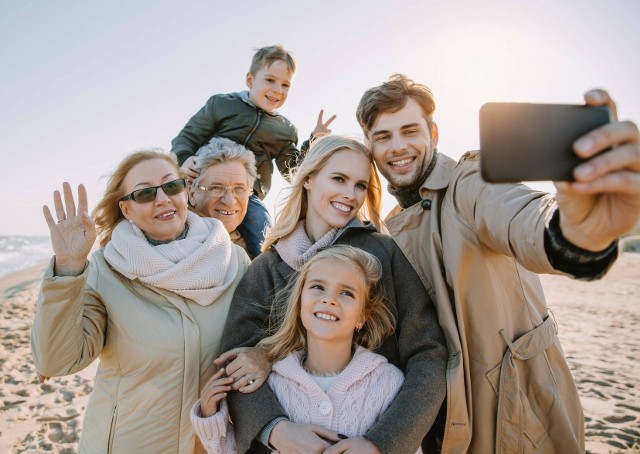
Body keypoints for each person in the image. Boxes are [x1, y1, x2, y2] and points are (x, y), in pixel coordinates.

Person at [355, 74, 640, 453]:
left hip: (517, 410)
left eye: (410, 130)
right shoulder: (390, 226)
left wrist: (577, 231)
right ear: (369, 145)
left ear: (433, 133)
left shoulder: (469, 182)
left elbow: (525, 218)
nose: (398, 146)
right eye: (383, 136)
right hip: (442, 420)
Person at [219, 135, 448, 454]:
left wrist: (383, 443)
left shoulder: (385, 253)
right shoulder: (266, 268)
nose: (349, 194)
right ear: (309, 178)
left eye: (359, 185)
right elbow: (236, 360)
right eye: (339, 179)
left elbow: (428, 353)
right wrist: (275, 429)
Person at [31, 150, 251, 453]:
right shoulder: (105, 270)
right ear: (126, 209)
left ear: (186, 192)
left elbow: (258, 341)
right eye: (145, 193)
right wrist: (68, 268)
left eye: (171, 186)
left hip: (206, 443)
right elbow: (56, 361)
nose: (162, 199)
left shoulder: (235, 262)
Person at [191, 245, 405, 453]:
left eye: (347, 293)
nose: (329, 299)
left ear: (362, 316)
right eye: (318, 287)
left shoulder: (389, 384)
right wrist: (211, 419)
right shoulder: (272, 382)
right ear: (300, 304)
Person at [171, 44, 336, 258]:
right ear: (250, 80)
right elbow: (188, 136)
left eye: (285, 84)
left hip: (248, 193)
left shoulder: (284, 130)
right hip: (203, 181)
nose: (278, 90)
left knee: (262, 228)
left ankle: (267, 270)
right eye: (270, 80)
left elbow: (292, 170)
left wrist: (313, 142)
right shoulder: (222, 104)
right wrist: (184, 159)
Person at [189, 137, 258, 257]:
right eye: (216, 188)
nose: (230, 202)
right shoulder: (174, 245)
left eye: (239, 189)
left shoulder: (261, 253)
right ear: (192, 195)